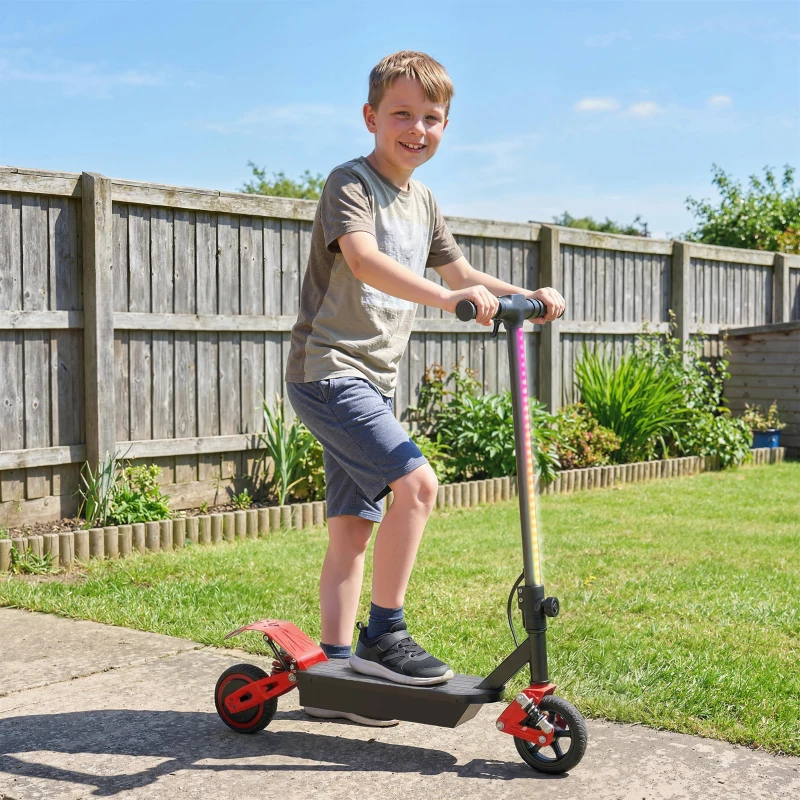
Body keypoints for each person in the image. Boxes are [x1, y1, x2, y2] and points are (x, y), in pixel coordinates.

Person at [284, 51, 564, 726]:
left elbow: (460, 272)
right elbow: (363, 259)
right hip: (328, 372)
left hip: (373, 382)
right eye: (402, 115)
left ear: (445, 125)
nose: (417, 129)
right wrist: (446, 300)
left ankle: (336, 678)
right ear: (370, 117)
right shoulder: (350, 183)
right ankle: (385, 635)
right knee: (418, 485)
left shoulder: (424, 200)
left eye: (431, 118)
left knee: (353, 530)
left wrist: (526, 295)